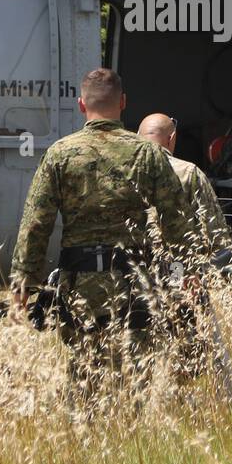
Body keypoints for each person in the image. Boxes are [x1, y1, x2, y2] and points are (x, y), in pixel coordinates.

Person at [11, 68, 193, 398]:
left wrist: (24, 281)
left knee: (83, 374)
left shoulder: (60, 154)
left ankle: (84, 439)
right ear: (123, 103)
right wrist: (187, 274)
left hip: (79, 285)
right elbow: (177, 221)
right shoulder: (148, 153)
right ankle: (128, 440)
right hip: (133, 282)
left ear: (81, 105)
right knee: (135, 378)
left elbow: (36, 223)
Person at [136, 113, 232, 254]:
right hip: (178, 266)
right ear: (172, 138)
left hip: (133, 265)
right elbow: (215, 230)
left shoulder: (125, 171)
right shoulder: (188, 172)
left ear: (137, 136)